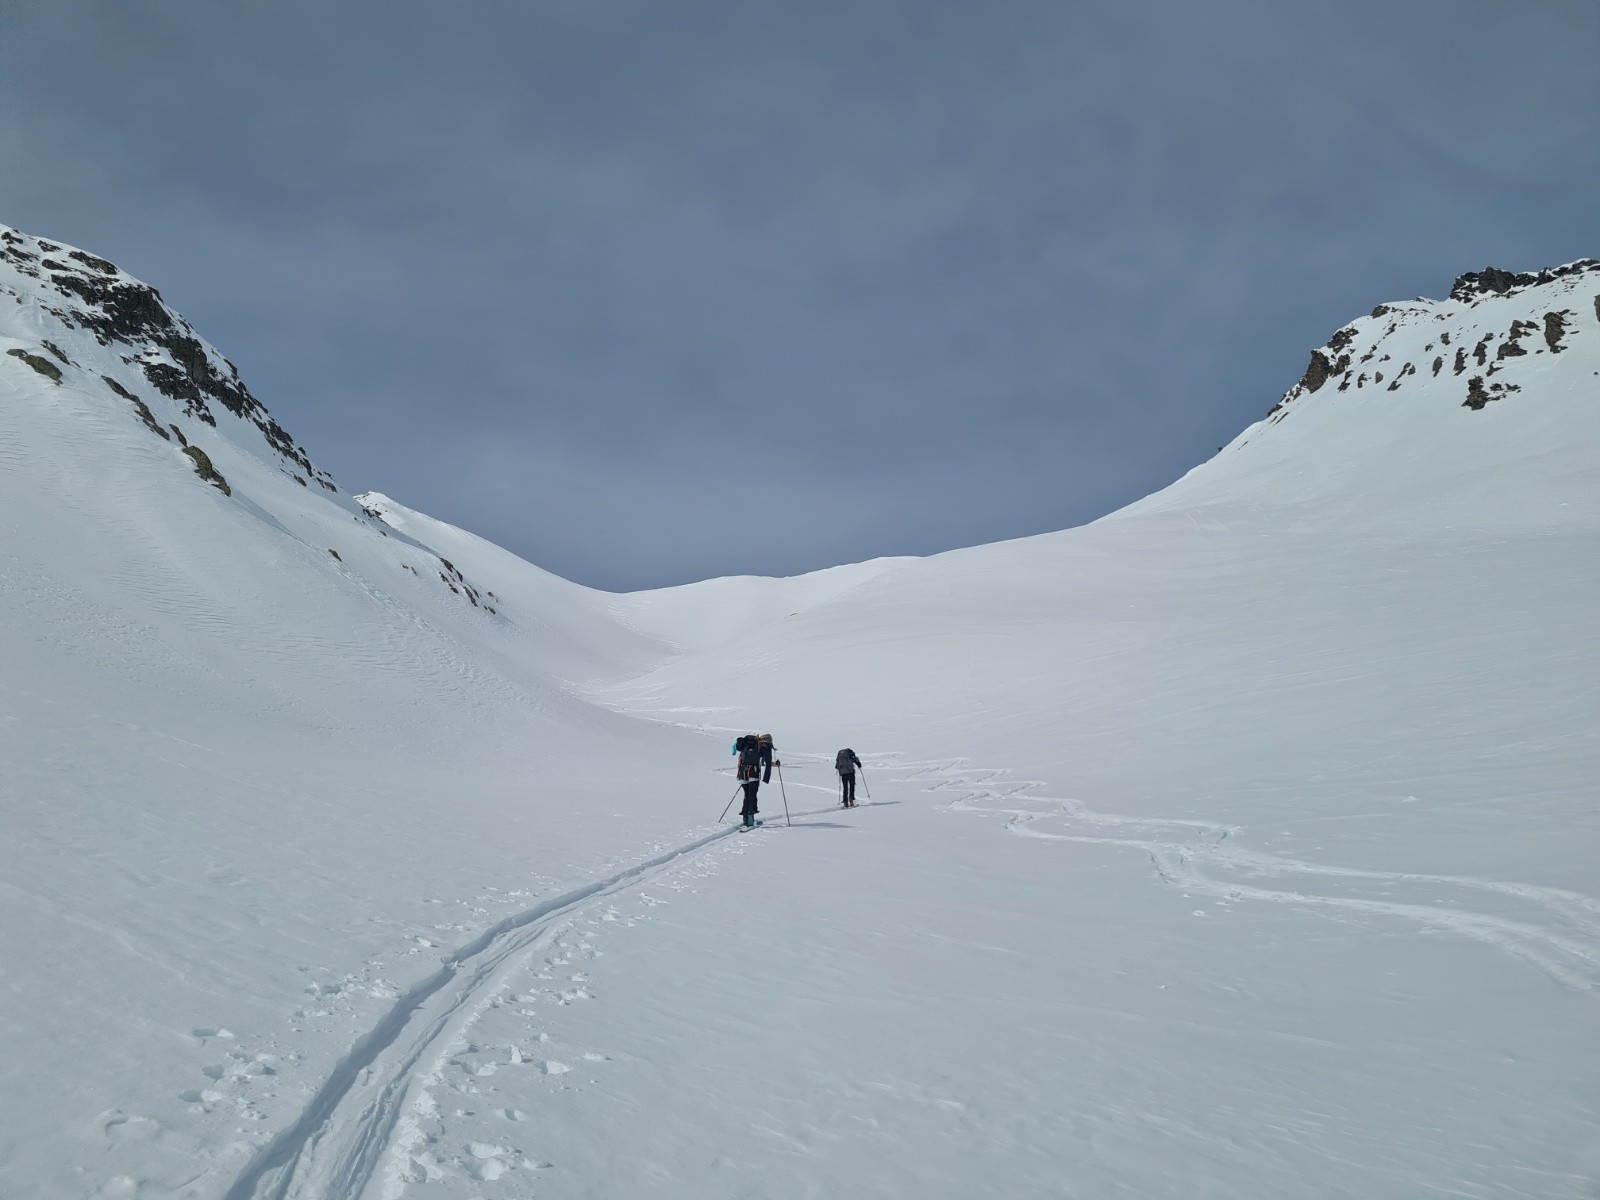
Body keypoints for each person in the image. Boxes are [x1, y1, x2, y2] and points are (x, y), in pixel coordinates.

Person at [733, 734, 779, 828]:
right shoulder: (762, 748)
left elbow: (739, 761)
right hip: (753, 772)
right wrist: (776, 764)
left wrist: (739, 775)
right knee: (752, 794)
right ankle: (750, 818)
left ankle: (745, 817)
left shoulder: (745, 745)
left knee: (746, 794)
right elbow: (767, 762)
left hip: (743, 773)